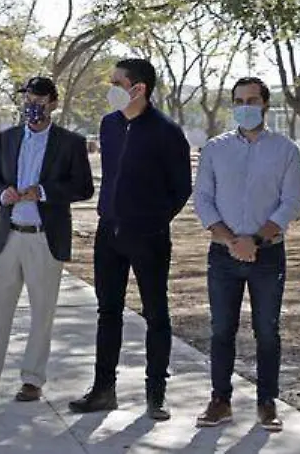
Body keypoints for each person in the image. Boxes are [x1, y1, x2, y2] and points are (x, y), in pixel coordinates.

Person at [0, 77, 94, 402]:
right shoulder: (8, 138)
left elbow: (83, 187)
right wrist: (2, 193)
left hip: (45, 239)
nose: (33, 104)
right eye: (28, 98)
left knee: (42, 312)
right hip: (9, 235)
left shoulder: (70, 143)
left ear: (53, 103)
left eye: (40, 99)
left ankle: (33, 379)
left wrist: (44, 192)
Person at [69, 59, 192, 421]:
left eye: (116, 82)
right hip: (109, 234)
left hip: (149, 236)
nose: (110, 88)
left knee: (156, 313)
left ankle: (156, 395)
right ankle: (103, 389)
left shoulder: (166, 131)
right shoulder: (109, 125)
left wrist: (153, 220)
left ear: (139, 88)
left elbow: (181, 187)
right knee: (108, 311)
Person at [193, 78, 300, 432]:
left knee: (267, 331)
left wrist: (253, 240)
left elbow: (291, 202)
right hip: (222, 256)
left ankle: (267, 403)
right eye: (239, 100)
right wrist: (231, 241)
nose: (245, 106)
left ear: (266, 104)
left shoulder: (286, 150)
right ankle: (220, 401)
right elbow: (203, 200)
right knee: (221, 329)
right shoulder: (214, 148)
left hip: (268, 256)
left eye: (252, 100)